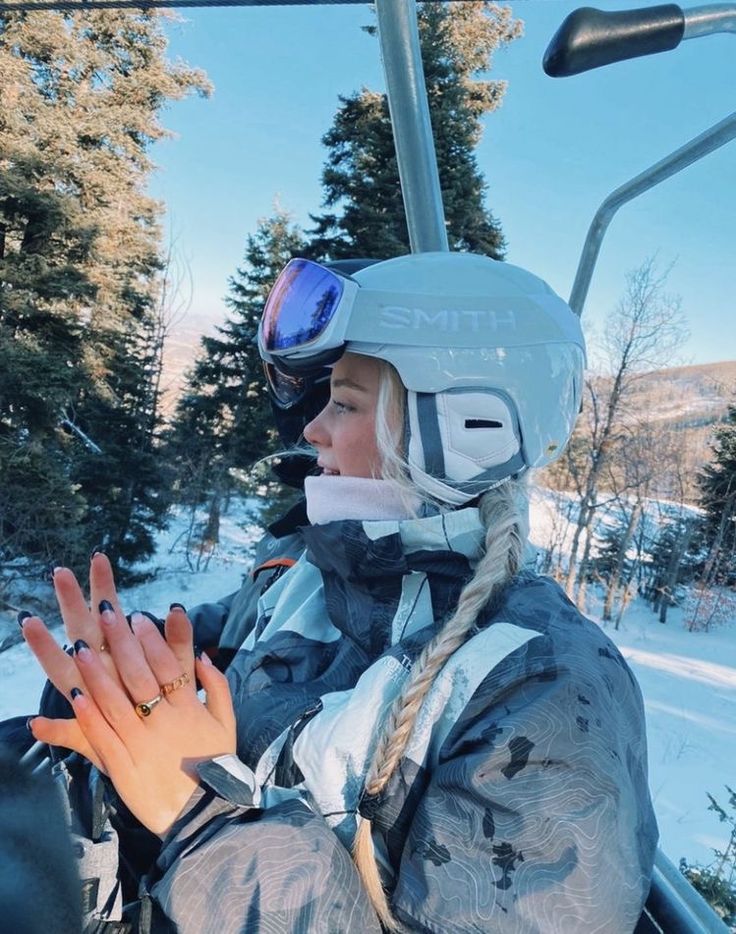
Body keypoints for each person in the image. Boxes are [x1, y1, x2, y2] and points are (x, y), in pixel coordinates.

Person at [20, 251, 658, 933]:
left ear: (468, 431)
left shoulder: (542, 693)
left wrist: (198, 815)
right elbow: (232, 639)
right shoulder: (319, 569)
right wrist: (124, 672)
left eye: (345, 403)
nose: (313, 428)